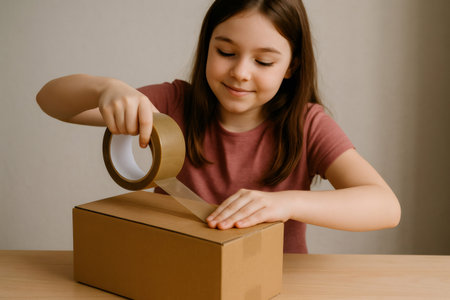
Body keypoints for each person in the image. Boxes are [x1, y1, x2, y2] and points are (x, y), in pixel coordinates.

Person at [36, 0, 400, 253]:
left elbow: (385, 206)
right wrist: (105, 88)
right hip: (178, 273)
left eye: (263, 60)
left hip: (271, 281)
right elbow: (50, 101)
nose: (241, 72)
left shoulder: (307, 125)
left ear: (291, 67)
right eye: (226, 52)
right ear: (207, 46)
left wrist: (285, 204)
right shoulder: (171, 104)